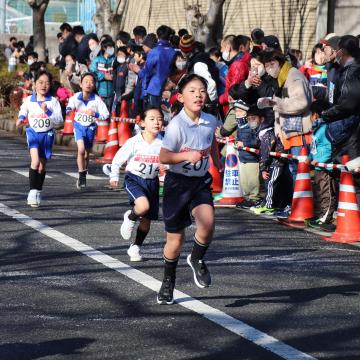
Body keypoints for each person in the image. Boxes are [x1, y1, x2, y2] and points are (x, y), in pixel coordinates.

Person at [157, 74, 219, 305]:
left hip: (200, 181)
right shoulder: (176, 125)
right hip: (177, 184)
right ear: (181, 97)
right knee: (175, 240)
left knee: (208, 223)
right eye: (192, 91)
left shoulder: (210, 120)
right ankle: (167, 282)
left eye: (202, 90)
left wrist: (216, 159)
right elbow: (164, 156)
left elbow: (211, 140)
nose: (198, 95)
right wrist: (186, 155)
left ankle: (197, 258)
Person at [109, 107, 164, 261]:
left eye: (159, 119)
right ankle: (131, 217)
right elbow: (118, 159)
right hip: (134, 179)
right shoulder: (134, 142)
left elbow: (169, 163)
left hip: (152, 182)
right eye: (152, 119)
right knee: (143, 206)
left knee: (146, 222)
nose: (156, 122)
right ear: (142, 123)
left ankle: (135, 247)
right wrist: (114, 176)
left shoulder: (163, 143)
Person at [260, 49, 313, 207]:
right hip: (290, 133)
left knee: (299, 171)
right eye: (266, 66)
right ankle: (296, 206)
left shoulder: (293, 76)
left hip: (300, 133)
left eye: (270, 65)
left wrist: (277, 104)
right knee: (293, 170)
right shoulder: (283, 77)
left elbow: (302, 102)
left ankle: (302, 207)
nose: (269, 69)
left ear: (277, 63)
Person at [16, 70, 63, 207]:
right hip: (33, 133)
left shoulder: (53, 101)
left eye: (47, 83)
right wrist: (21, 118)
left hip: (47, 135)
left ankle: (38, 190)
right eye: (40, 82)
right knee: (35, 162)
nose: (44, 85)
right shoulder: (29, 100)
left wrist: (47, 111)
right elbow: (23, 110)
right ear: (35, 84)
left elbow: (59, 120)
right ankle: (32, 192)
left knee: (42, 166)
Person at [66, 73, 110, 189]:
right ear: (80, 84)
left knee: (86, 154)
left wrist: (95, 114)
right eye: (86, 81)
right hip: (79, 126)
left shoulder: (97, 100)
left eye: (91, 82)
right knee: (81, 150)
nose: (89, 84)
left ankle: (84, 174)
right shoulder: (76, 97)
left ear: (94, 85)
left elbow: (106, 114)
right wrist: (69, 109)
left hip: (90, 127)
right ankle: (81, 175)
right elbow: (69, 105)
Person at [305, 100, 336, 232]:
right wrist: (310, 158)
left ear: (316, 115)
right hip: (317, 167)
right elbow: (314, 148)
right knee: (319, 192)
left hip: (326, 168)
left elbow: (329, 148)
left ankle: (326, 217)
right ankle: (321, 215)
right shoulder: (316, 130)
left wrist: (320, 161)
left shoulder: (325, 129)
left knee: (327, 193)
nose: (310, 118)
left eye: (311, 115)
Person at [180, 35, 219, 114]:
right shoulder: (199, 57)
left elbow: (211, 84)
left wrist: (210, 105)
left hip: (206, 106)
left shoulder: (198, 63)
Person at [138, 25, 176, 108]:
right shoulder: (173, 51)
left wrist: (144, 90)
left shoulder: (155, 51)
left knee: (152, 114)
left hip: (154, 88)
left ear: (158, 36)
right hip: (168, 89)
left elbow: (148, 72)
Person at [219, 35, 251, 114]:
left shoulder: (238, 65)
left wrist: (220, 99)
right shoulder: (237, 62)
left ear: (228, 47)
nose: (221, 50)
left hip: (236, 110)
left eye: (222, 47)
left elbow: (234, 93)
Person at [90, 39, 115, 112]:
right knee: (101, 113)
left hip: (112, 93)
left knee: (111, 113)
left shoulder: (114, 60)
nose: (112, 49)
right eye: (110, 47)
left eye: (113, 47)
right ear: (104, 48)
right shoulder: (97, 60)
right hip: (100, 93)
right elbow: (92, 73)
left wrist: (114, 76)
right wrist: (103, 76)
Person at [112, 46, 129, 115]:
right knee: (117, 110)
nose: (120, 56)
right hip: (117, 91)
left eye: (122, 54)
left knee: (124, 110)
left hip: (124, 92)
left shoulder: (127, 66)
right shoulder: (118, 66)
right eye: (118, 54)